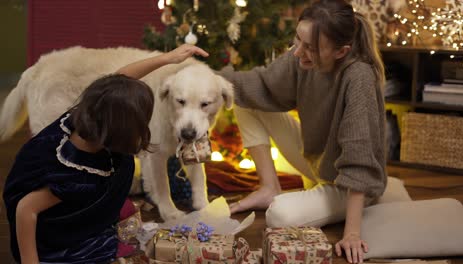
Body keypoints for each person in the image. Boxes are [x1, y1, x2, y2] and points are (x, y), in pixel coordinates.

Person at [2, 44, 208, 264]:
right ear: (121, 130)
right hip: (58, 242)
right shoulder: (74, 176)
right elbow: (25, 210)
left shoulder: (94, 109)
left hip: (85, 194)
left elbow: (121, 77)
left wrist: (168, 58)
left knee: (125, 192)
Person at [219, 0, 387, 263]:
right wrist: (204, 77)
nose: (298, 52)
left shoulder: (359, 78)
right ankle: (268, 186)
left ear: (341, 52)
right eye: (297, 40)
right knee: (240, 98)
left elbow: (359, 161)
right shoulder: (303, 57)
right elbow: (261, 84)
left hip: (348, 184)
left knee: (279, 216)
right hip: (319, 163)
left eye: (309, 47)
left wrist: (352, 233)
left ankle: (295, 198)